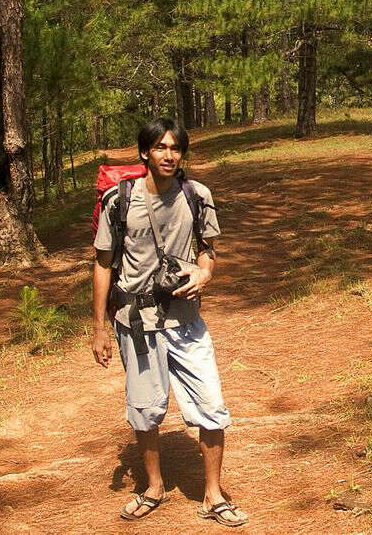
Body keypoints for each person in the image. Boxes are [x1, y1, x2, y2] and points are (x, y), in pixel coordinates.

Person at [91, 117, 249, 526]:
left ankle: (213, 495)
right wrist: (99, 328)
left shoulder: (196, 195)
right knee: (145, 410)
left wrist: (205, 272)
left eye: (176, 148)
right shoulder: (119, 200)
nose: (169, 154)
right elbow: (103, 265)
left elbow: (207, 249)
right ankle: (154, 487)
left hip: (186, 322)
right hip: (136, 323)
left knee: (211, 406)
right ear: (145, 152)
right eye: (160, 147)